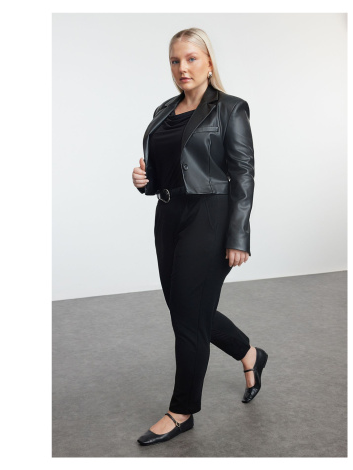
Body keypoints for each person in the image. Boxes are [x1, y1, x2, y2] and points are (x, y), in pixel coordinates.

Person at [132, 28, 268, 446]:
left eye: (191, 58)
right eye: (175, 60)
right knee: (186, 309)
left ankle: (182, 411)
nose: (182, 68)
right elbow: (166, 172)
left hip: (210, 216)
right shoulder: (164, 110)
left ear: (209, 62)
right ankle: (249, 354)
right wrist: (145, 181)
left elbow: (243, 173)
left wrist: (239, 235)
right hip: (169, 215)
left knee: (188, 318)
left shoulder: (230, 108)